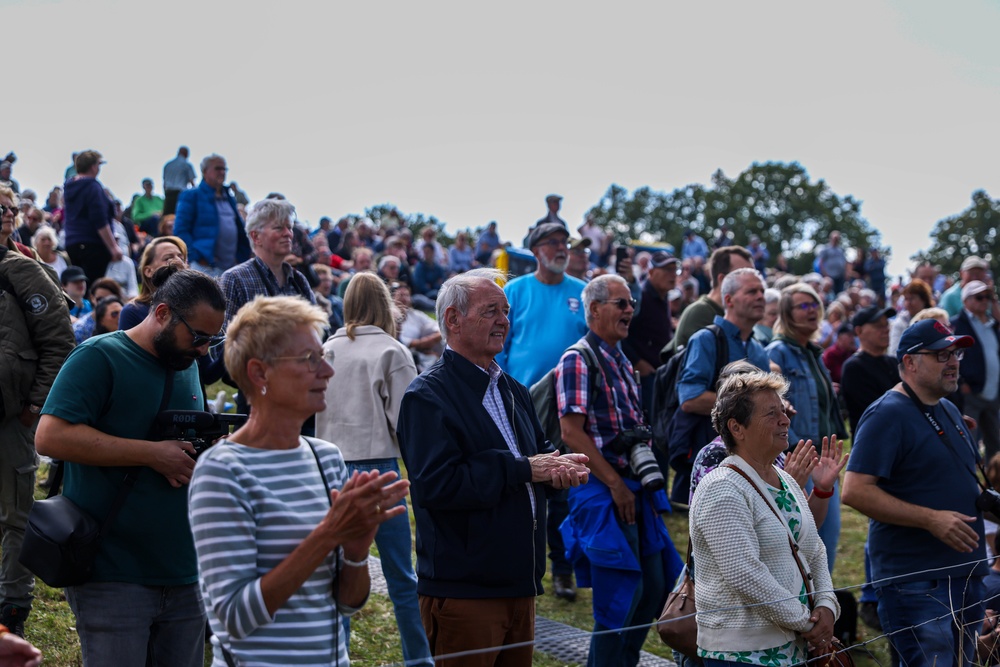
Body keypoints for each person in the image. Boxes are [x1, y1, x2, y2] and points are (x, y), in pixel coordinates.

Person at [186, 295, 407, 666]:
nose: (327, 371)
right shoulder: (222, 471)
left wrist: (355, 550)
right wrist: (328, 534)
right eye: (310, 360)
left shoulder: (326, 457)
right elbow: (233, 618)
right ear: (259, 374)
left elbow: (347, 604)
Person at [397, 268, 590, 667]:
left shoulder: (513, 389)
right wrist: (523, 469)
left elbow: (539, 456)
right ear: (452, 319)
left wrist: (559, 470)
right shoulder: (427, 396)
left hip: (520, 585)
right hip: (466, 592)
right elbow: (436, 487)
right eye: (491, 311)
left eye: (506, 310)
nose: (504, 321)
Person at [35, 268, 226, 665]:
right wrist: (150, 453)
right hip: (113, 573)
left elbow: (180, 441)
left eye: (213, 339)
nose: (204, 350)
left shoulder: (185, 363)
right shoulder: (99, 356)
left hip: (184, 574)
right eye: (199, 336)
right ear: (161, 313)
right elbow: (50, 437)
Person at [843, 319, 987, 667]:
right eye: (941, 355)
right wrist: (931, 520)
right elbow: (855, 491)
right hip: (918, 581)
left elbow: (962, 485)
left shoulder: (949, 408)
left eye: (956, 353)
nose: (953, 362)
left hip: (965, 573)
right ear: (909, 362)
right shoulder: (886, 414)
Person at [557, 274, 683, 667]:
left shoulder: (622, 359)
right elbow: (570, 433)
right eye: (621, 303)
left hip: (632, 488)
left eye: (631, 303)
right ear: (594, 310)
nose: (630, 310)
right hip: (603, 490)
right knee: (622, 597)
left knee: (654, 589)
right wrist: (615, 485)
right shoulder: (578, 358)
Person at [315, 274, 432, 666]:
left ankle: (338, 657)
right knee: (402, 577)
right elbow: (408, 423)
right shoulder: (392, 351)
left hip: (329, 469)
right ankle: (418, 659)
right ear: (384, 304)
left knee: (337, 574)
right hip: (379, 471)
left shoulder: (327, 349)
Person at [690, 370, 839, 666]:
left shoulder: (785, 479)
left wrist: (827, 607)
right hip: (741, 656)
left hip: (793, 647)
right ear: (737, 428)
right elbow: (745, 574)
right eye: (772, 414)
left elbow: (815, 550)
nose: (785, 420)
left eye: (783, 412)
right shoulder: (721, 487)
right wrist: (809, 623)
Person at [495, 222, 589, 602]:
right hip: (520, 403)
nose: (561, 248)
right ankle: (515, 565)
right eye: (552, 242)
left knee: (562, 487)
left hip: (570, 405)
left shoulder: (581, 293)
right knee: (520, 484)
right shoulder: (515, 290)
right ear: (535, 250)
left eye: (564, 242)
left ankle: (562, 571)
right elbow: (501, 344)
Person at [0, 229, 75, 638]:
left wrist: (33, 407)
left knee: (16, 516)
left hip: (11, 418)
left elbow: (59, 341)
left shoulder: (21, 271)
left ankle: (11, 613)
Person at [766, 283, 847, 572]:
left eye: (814, 304)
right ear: (787, 314)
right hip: (800, 457)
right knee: (810, 537)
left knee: (827, 537)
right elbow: (773, 408)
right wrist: (802, 451)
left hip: (821, 458)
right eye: (803, 305)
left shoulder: (813, 352)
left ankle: (820, 601)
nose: (812, 310)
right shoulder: (777, 352)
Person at [674, 267, 771, 503]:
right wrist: (752, 405)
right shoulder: (706, 339)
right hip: (714, 461)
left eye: (762, 291)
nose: (760, 296)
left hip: (752, 460)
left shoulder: (758, 349)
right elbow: (690, 399)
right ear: (728, 300)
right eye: (751, 291)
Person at [663, 245, 752, 356]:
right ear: (723, 280)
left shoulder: (735, 312)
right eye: (744, 276)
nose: (754, 281)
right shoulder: (700, 313)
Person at [174, 153, 249, 277]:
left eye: (224, 169)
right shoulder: (191, 196)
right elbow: (181, 230)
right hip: (204, 268)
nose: (222, 172)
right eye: (217, 168)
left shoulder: (229, 198)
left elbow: (239, 230)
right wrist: (196, 257)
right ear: (204, 171)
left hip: (231, 268)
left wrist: (240, 257)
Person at [623, 250, 678, 417]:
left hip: (658, 373)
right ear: (652, 272)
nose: (673, 275)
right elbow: (621, 332)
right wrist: (637, 361)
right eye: (667, 270)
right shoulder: (641, 297)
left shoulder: (663, 296)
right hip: (644, 377)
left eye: (674, 270)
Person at [952, 280, 1000, 461]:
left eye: (988, 297)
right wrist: (962, 382)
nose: (984, 301)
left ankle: (995, 483)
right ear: (966, 301)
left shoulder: (993, 324)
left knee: (994, 443)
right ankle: (969, 484)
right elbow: (953, 355)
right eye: (979, 297)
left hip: (992, 393)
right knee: (968, 442)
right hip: (971, 393)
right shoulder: (956, 324)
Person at [62, 150, 123, 283]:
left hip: (73, 244)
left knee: (79, 286)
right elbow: (99, 220)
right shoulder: (92, 187)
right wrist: (113, 247)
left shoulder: (70, 186)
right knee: (94, 286)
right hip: (92, 246)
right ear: (93, 166)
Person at [119, 236, 189, 329]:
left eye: (182, 258)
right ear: (148, 271)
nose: (179, 262)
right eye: (168, 258)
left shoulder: (195, 305)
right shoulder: (133, 311)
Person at [888, 278, 933, 356]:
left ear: (923, 299)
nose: (908, 303)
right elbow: (894, 352)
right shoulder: (900, 323)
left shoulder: (936, 318)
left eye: (912, 298)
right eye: (906, 299)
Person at [162, 146, 196, 216]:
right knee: (181, 215)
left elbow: (164, 183)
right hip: (180, 194)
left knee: (167, 217)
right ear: (186, 154)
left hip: (169, 194)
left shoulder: (168, 165)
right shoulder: (186, 165)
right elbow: (192, 182)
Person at [817, 231, 848, 295]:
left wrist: (845, 273)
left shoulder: (841, 250)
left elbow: (845, 262)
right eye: (835, 238)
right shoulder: (825, 249)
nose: (836, 240)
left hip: (840, 276)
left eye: (837, 239)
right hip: (829, 276)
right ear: (830, 238)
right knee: (830, 294)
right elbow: (821, 262)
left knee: (840, 293)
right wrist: (825, 274)